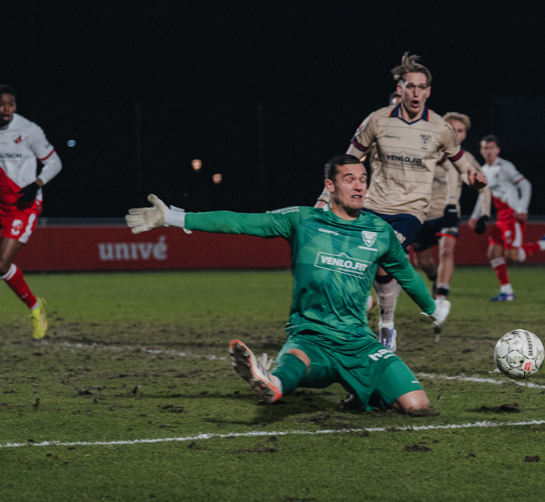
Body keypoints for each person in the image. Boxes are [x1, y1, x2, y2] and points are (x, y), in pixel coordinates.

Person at [129, 156, 449, 413]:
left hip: (359, 343)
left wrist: (433, 310)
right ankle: (272, 383)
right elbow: (241, 221)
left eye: (363, 179)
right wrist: (174, 217)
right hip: (312, 337)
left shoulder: (378, 232)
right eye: (349, 179)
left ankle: (362, 395)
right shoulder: (302, 219)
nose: (358, 186)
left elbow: (406, 275)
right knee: (294, 363)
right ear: (330, 186)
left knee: (417, 405)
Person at [316, 53, 485, 350]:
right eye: (410, 86)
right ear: (401, 89)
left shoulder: (439, 128)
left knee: (383, 249)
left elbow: (463, 166)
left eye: (422, 87)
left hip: (410, 210)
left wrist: (474, 179)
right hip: (373, 204)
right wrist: (324, 198)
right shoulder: (377, 121)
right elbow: (349, 160)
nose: (416, 93)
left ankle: (371, 312)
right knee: (376, 263)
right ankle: (386, 325)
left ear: (429, 92)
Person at [0, 85, 60, 338]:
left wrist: (37, 184)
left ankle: (36, 307)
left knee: (0, 264)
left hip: (23, 207)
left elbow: (54, 162)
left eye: (11, 104)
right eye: (2, 104)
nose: (7, 109)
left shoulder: (29, 130)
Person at [469, 135, 545, 301]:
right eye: (485, 148)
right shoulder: (483, 170)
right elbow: (483, 196)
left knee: (513, 256)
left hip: (513, 216)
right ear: (481, 151)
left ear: (498, 150)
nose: (488, 151)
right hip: (500, 218)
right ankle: (507, 292)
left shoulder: (505, 166)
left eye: (491, 147)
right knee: (493, 252)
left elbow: (526, 185)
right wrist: (475, 216)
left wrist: (522, 208)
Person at [410, 111, 471, 306]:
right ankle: (435, 277)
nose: (456, 134)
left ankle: (441, 298)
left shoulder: (466, 158)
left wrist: (482, 211)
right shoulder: (427, 153)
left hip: (449, 214)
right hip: (424, 215)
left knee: (446, 251)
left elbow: (483, 183)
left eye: (460, 130)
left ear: (464, 134)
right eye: (452, 129)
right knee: (422, 261)